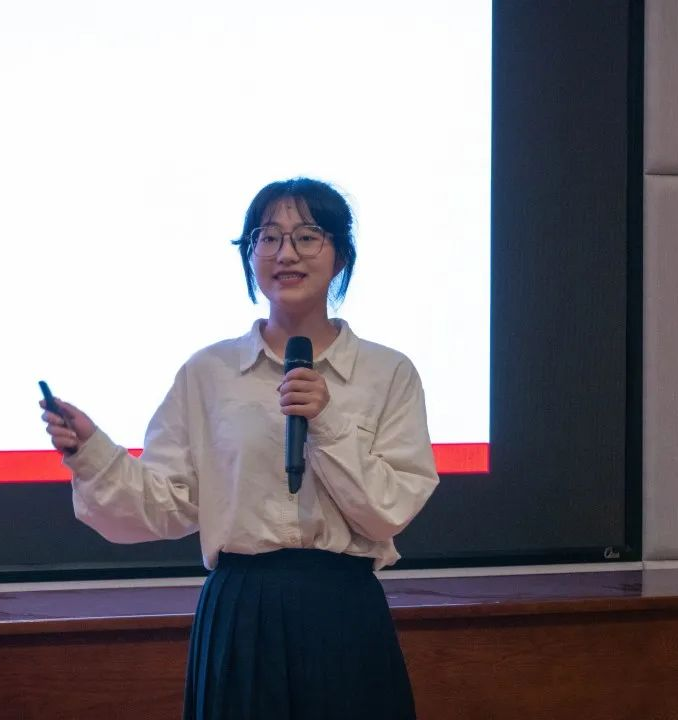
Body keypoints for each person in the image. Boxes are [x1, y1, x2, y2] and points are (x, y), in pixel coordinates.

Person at [40, 177, 439, 719]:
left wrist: (327, 422)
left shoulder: (388, 372)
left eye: (306, 236)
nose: (285, 253)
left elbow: (388, 511)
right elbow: (166, 504)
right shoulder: (210, 372)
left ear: (341, 254)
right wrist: (92, 452)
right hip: (242, 611)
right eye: (267, 237)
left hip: (343, 610)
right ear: (249, 255)